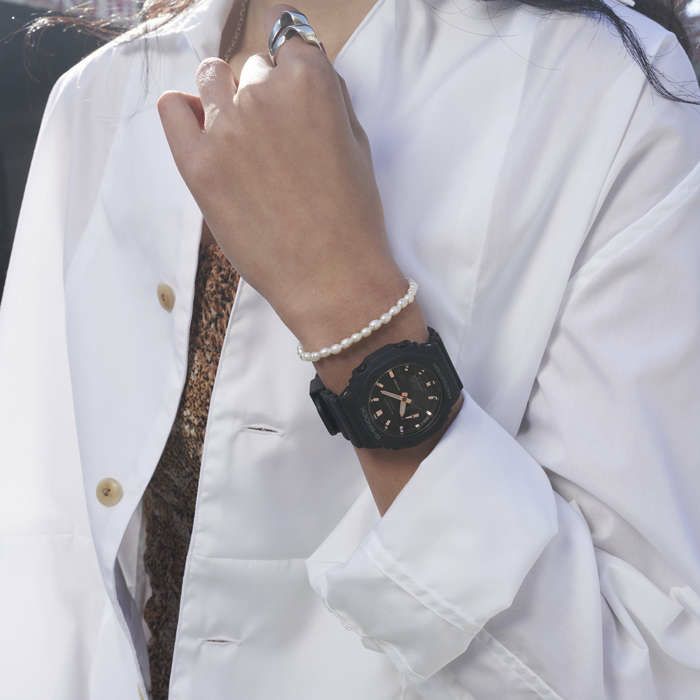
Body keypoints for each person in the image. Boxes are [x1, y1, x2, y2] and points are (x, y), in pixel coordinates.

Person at [1, 0, 700, 697]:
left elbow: (646, 669)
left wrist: (349, 306)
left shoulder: (612, 97)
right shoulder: (105, 91)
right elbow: (41, 552)